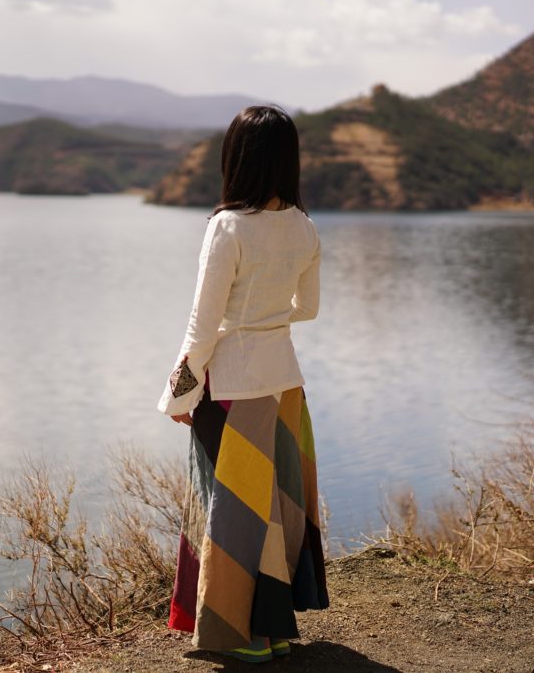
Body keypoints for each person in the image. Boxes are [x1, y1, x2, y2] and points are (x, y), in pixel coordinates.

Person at [157, 105, 329, 664]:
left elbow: (200, 327)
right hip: (284, 383)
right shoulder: (304, 226)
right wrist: (267, 316)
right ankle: (274, 630)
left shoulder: (227, 226)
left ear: (237, 158)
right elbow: (308, 308)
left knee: (231, 510)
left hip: (230, 385)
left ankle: (246, 637)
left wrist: (177, 395)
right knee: (273, 507)